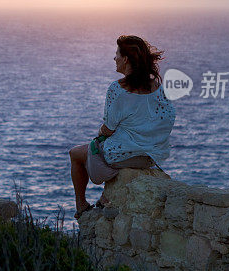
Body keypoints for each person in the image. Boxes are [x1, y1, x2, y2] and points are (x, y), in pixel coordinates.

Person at [69, 35, 176, 219]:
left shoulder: (117, 89)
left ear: (125, 59)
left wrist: (101, 132)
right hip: (148, 158)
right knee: (113, 145)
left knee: (75, 153)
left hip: (124, 157)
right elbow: (168, 118)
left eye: (117, 54)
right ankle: (105, 197)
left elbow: (109, 129)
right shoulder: (157, 87)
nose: (114, 58)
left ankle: (81, 206)